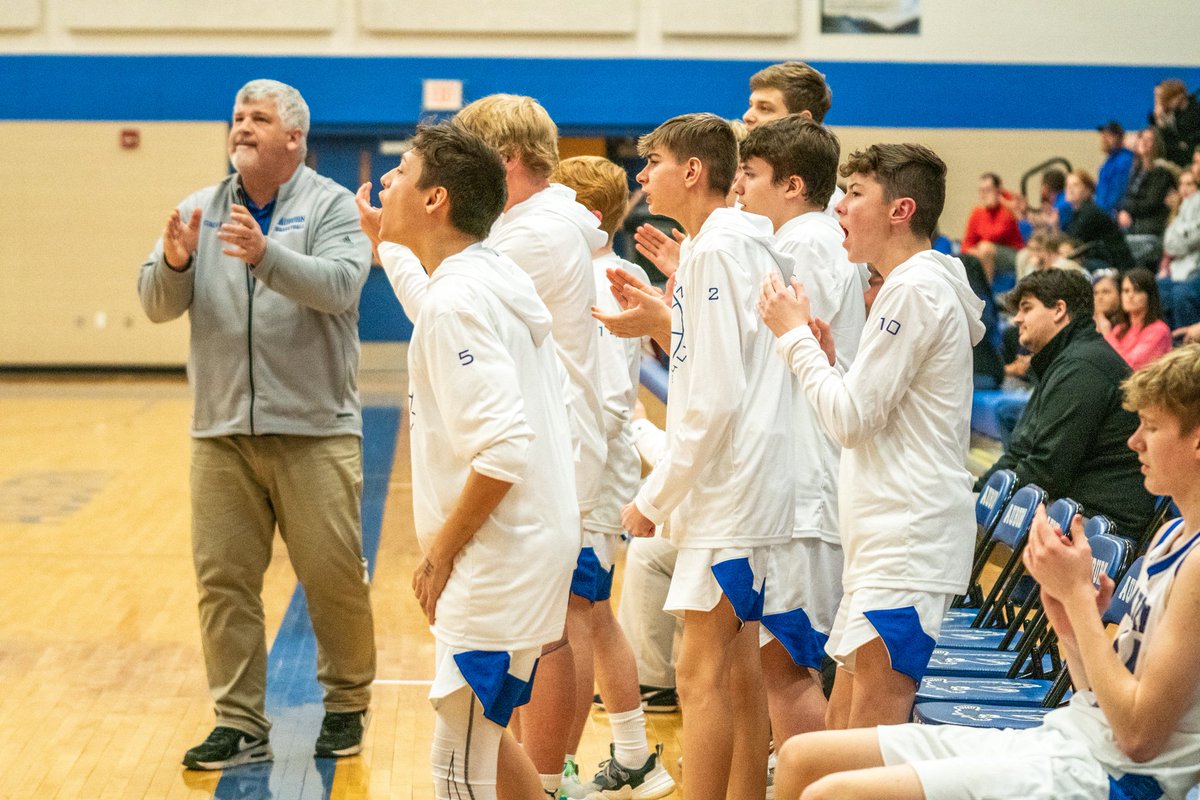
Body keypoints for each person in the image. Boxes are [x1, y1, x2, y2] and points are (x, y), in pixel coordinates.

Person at [774, 343, 1200, 800]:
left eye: (1151, 427)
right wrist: (1072, 621)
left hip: (1116, 779)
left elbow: (1138, 738)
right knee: (802, 758)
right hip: (1073, 741)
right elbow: (1099, 698)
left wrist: (1078, 599)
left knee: (834, 793)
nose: (1134, 441)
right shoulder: (1171, 537)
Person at [360, 94, 608, 799]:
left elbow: (502, 451)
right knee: (487, 745)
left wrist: (439, 555)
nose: (386, 184)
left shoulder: (460, 297)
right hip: (526, 541)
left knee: (456, 762)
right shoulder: (484, 273)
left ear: (435, 198)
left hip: (501, 551)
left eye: (399, 173)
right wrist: (388, 243)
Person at [137, 79, 376, 769]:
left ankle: (347, 703)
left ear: (295, 139)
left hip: (315, 431)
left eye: (259, 119)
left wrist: (266, 255)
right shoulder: (197, 209)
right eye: (238, 117)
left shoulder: (331, 206)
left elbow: (338, 287)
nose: (241, 126)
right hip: (219, 433)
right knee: (223, 583)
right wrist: (177, 261)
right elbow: (156, 303)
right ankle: (239, 721)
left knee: (332, 579)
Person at [758, 143, 985, 729]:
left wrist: (794, 340)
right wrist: (832, 365)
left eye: (855, 194)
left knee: (865, 744)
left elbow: (850, 422)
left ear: (900, 210)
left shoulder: (914, 288)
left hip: (907, 541)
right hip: (884, 540)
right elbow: (873, 413)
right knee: (838, 732)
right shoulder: (914, 285)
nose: (840, 207)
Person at [614, 112, 795, 800]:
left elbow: (713, 400)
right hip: (747, 489)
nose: (643, 175)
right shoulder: (727, 248)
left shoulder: (719, 252)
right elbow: (715, 374)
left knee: (699, 674)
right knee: (739, 671)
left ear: (692, 170)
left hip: (734, 497)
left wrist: (652, 498)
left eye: (653, 162)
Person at [548, 155, 675, 800]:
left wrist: (573, 499)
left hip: (589, 483)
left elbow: (596, 401)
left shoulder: (595, 279)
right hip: (594, 473)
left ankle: (558, 768)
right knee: (593, 616)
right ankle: (631, 754)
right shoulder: (603, 271)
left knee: (571, 620)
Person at [735, 114, 865, 743]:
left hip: (806, 486)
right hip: (799, 479)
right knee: (778, 666)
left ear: (791, 185)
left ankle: (812, 779)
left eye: (750, 173)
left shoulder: (807, 242)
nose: (738, 185)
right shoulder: (805, 238)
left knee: (787, 668)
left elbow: (773, 348)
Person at [977, 269, 1157, 538]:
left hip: (1103, 524)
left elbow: (1046, 470)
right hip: (1076, 508)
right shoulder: (1065, 360)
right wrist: (978, 491)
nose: (1017, 319)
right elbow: (1020, 453)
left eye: (1026, 308)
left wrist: (981, 500)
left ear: (1059, 309)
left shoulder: (1082, 366)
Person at [1118, 128, 1177, 267]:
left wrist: (1126, 209)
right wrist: (1122, 211)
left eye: (1149, 139)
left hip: (1149, 229)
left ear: (1157, 145)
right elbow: (1124, 197)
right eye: (1141, 138)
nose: (1144, 142)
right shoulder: (1136, 170)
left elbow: (1150, 203)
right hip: (1132, 226)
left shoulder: (1161, 172)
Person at [1063, 169, 1136, 272]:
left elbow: (1073, 242)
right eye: (1067, 185)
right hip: (1097, 258)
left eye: (1075, 185)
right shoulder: (1077, 213)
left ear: (1088, 190)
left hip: (1113, 264)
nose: (1069, 189)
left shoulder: (1090, 212)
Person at [1105, 267, 1173, 370]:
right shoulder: (1120, 329)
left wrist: (1106, 333)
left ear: (1149, 295)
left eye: (1137, 290)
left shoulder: (1159, 330)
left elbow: (1129, 366)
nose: (1130, 296)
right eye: (1126, 291)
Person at [962, 172, 1026, 282]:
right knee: (971, 255)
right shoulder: (977, 212)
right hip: (986, 254)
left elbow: (996, 234)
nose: (983, 195)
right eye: (981, 191)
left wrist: (1003, 199)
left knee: (985, 248)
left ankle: (986, 292)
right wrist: (977, 253)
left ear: (998, 191)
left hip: (1014, 254)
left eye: (988, 190)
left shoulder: (1007, 208)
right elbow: (966, 245)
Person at [1151, 78, 1200, 169]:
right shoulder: (1175, 114)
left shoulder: (1194, 114)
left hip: (1187, 161)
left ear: (1179, 97)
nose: (1164, 103)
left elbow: (1177, 144)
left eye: (1167, 98)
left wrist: (1162, 124)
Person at [1095, 120, 1135, 216]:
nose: (1103, 139)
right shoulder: (1110, 161)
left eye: (1108, 136)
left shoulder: (1125, 161)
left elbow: (1118, 193)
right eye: (1103, 135)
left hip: (1110, 216)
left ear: (1118, 137)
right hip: (1101, 212)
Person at [1092, 269, 1122, 335]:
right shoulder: (1087, 324)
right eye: (1095, 293)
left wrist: (1106, 333)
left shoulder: (1128, 324)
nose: (1099, 297)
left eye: (1106, 292)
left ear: (1120, 294)